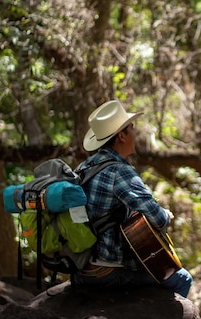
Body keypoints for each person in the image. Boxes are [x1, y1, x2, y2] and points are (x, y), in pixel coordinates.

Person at [72, 99, 193, 297]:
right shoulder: (120, 172)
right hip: (107, 271)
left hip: (82, 268)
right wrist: (167, 215)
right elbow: (159, 220)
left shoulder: (85, 167)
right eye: (132, 128)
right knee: (183, 279)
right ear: (121, 135)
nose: (136, 134)